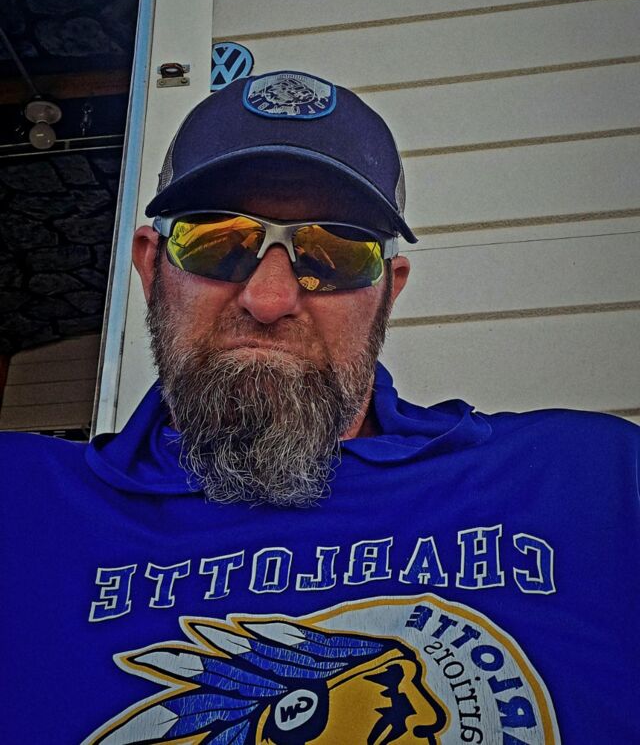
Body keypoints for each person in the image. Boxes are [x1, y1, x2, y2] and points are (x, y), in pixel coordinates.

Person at [2, 69, 638, 744]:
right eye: (218, 241)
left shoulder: (593, 484)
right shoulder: (20, 508)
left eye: (333, 254)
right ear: (151, 267)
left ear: (388, 291)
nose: (269, 299)